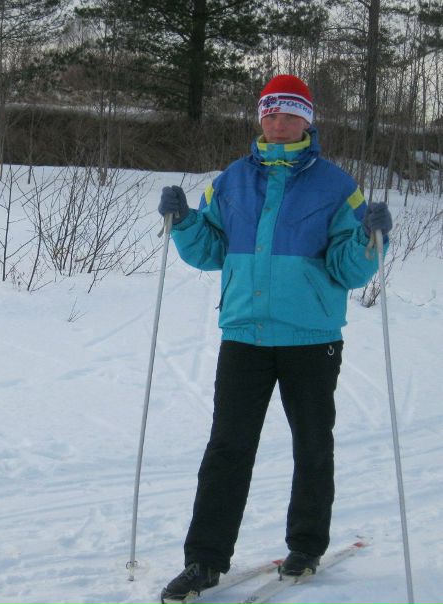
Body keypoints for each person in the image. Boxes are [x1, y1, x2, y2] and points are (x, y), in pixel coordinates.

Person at [157, 75, 393, 602]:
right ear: (260, 118)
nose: (278, 123)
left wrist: (369, 238)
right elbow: (209, 252)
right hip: (244, 334)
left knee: (312, 443)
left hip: (311, 337)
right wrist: (184, 222)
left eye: (289, 114)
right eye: (270, 113)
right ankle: (204, 560)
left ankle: (306, 545)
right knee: (227, 447)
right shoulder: (232, 181)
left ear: (307, 120)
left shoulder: (337, 186)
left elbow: (347, 268)